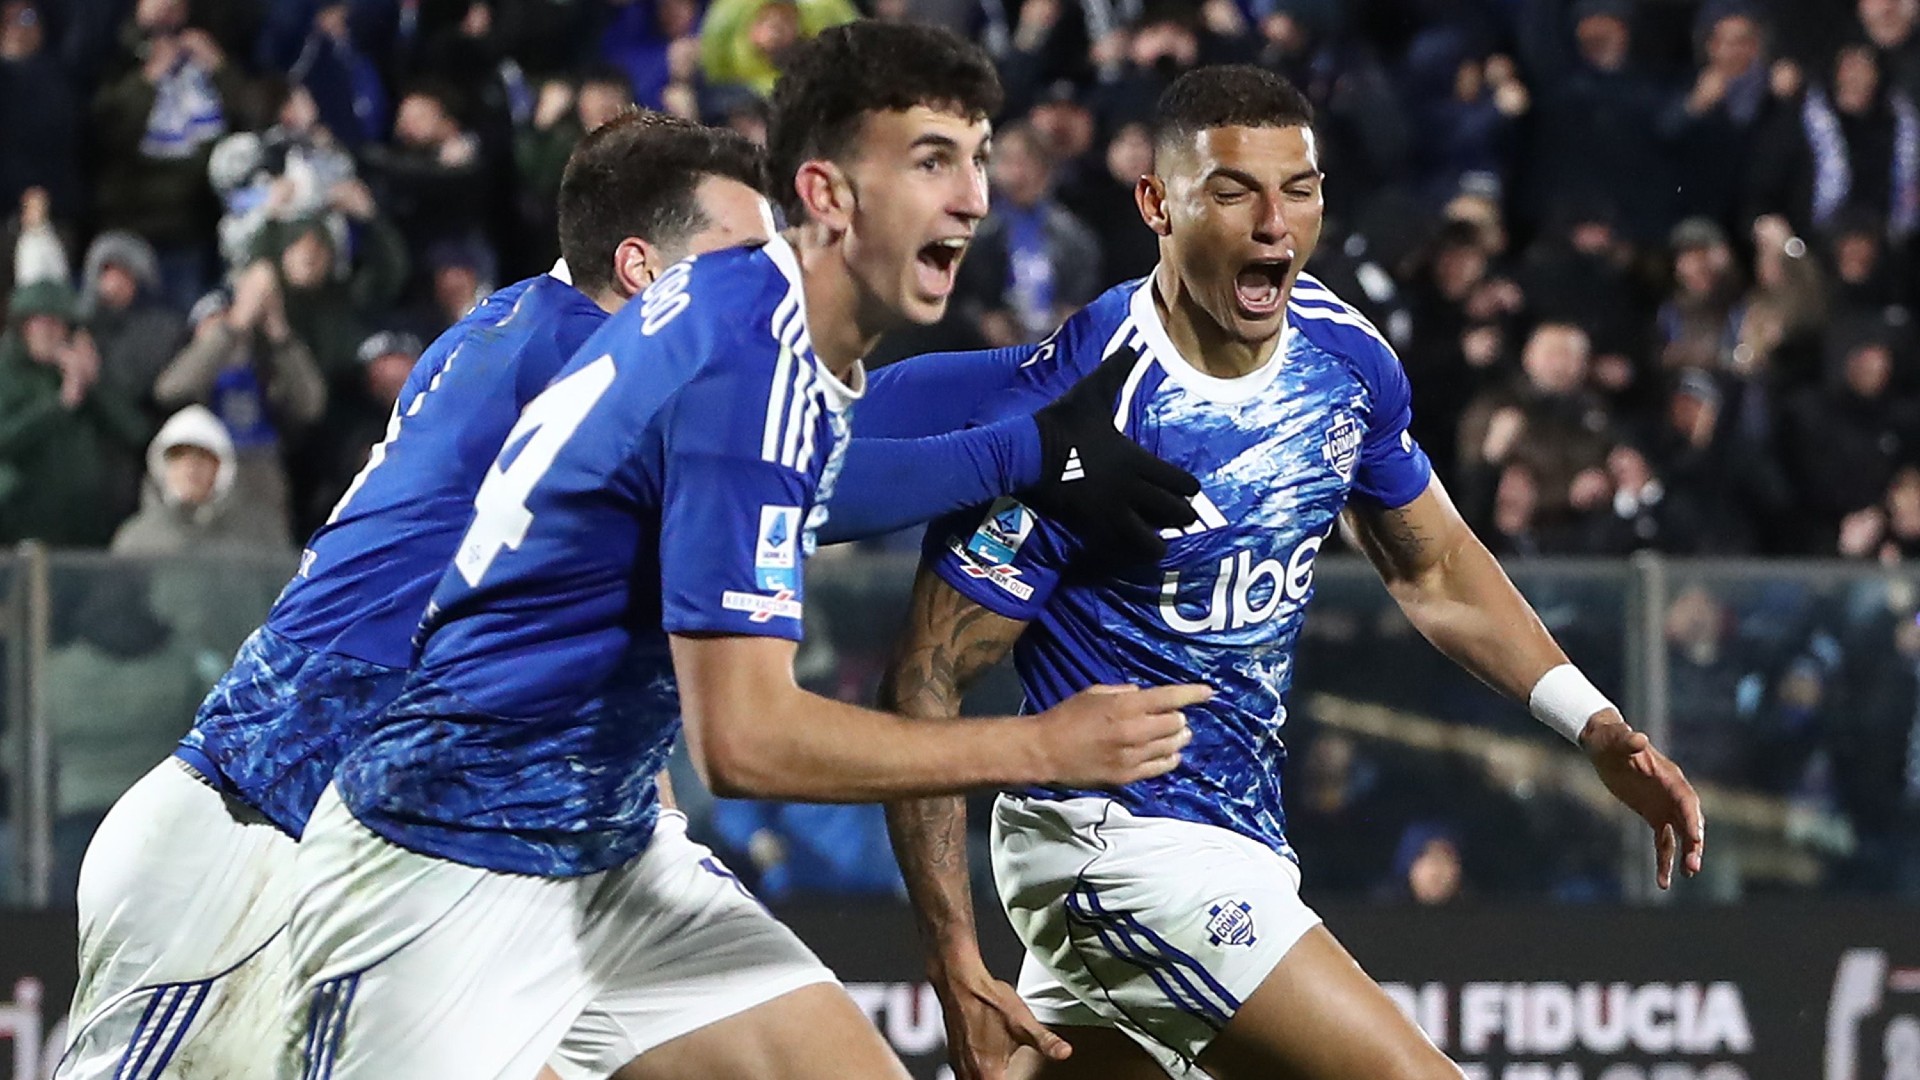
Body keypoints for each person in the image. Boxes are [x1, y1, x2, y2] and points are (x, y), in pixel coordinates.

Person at [279, 23, 1204, 1079]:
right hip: (441, 861)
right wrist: (1040, 749)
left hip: (606, 843)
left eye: (978, 158)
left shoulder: (753, 311)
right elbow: (746, 742)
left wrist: (1044, 402)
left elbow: (851, 443)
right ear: (826, 193)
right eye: (931, 162)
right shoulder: (747, 370)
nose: (972, 199)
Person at [882, 65, 1706, 1080]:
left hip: (1236, 836)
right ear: (1158, 204)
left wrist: (1594, 724)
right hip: (1118, 842)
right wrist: (952, 957)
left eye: (1300, 190)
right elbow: (927, 673)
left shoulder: (1342, 357)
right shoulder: (1082, 407)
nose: (1275, 225)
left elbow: (1437, 566)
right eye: (1234, 192)